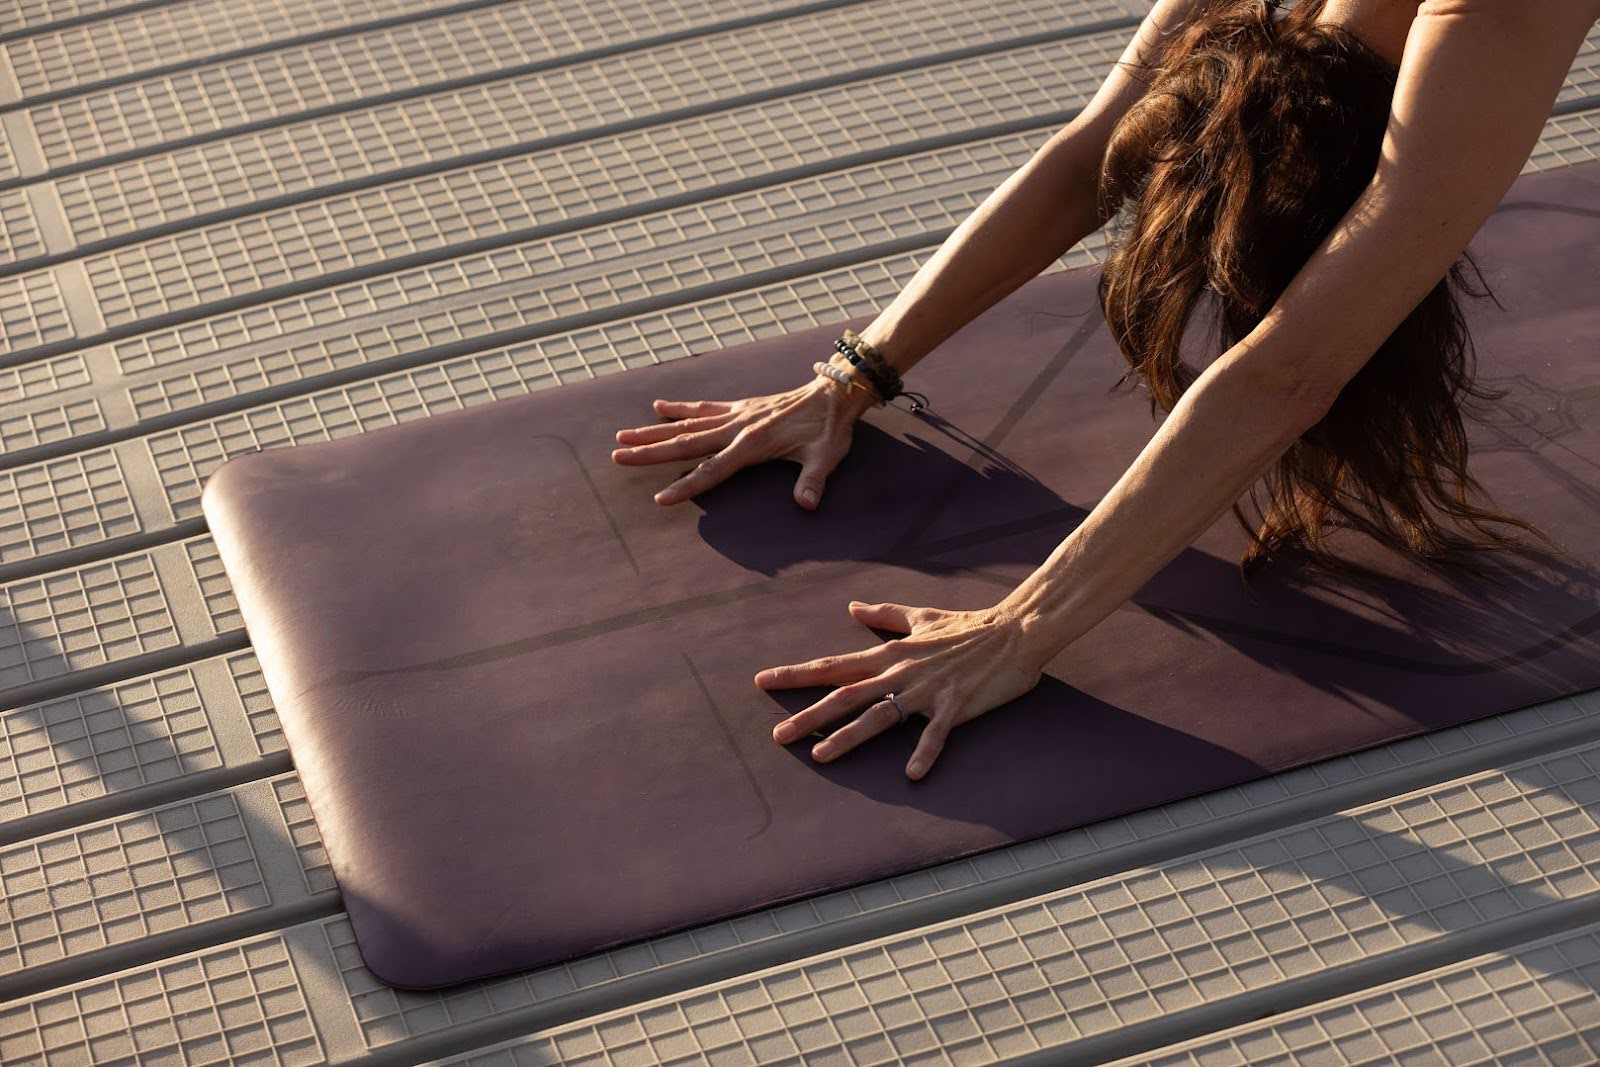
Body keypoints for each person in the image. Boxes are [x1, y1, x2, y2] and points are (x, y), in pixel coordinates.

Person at [610, 0, 1600, 780]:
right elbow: (1096, 150)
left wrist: (1021, 627)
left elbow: (1293, 368)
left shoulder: (1493, 14)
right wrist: (855, 372)